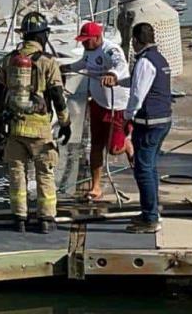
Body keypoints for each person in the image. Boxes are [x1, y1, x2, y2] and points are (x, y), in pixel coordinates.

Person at [0, 12, 71, 234]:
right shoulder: (48, 62)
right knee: (44, 172)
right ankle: (46, 220)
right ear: (43, 35)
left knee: (17, 173)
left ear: (24, 35)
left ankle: (19, 218)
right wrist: (65, 122)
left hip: (15, 127)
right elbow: (56, 94)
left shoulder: (9, 60)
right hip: (40, 130)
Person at [64, 21, 133, 202]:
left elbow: (121, 66)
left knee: (114, 149)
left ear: (97, 37)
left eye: (87, 40)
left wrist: (113, 75)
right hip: (97, 104)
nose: (84, 43)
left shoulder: (112, 50)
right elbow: (83, 63)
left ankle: (127, 144)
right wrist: (66, 68)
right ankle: (96, 187)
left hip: (116, 105)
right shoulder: (89, 50)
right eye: (83, 41)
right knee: (95, 146)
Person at [123, 23, 172, 234]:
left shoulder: (144, 61)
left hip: (149, 123)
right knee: (150, 168)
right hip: (163, 120)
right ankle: (151, 210)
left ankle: (151, 218)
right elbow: (141, 84)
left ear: (135, 40)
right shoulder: (160, 59)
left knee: (142, 169)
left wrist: (127, 116)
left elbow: (137, 94)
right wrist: (119, 80)